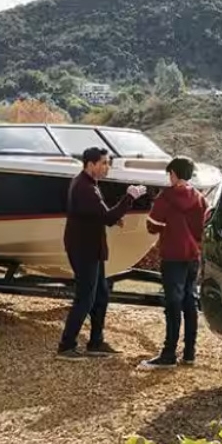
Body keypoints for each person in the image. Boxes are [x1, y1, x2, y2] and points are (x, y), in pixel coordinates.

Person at [57, 146, 146, 360]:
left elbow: (99, 215)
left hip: (91, 248)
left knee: (101, 295)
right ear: (91, 164)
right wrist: (129, 197)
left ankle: (96, 342)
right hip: (84, 249)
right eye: (104, 163)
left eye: (108, 163)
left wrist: (115, 219)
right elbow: (106, 216)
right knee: (85, 298)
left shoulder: (89, 184)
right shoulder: (84, 188)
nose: (107, 167)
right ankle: (66, 346)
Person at [139, 156, 208, 369]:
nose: (169, 178)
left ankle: (168, 354)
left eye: (170, 174)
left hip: (172, 256)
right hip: (193, 256)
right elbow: (204, 226)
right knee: (190, 302)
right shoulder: (199, 198)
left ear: (174, 174)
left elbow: (152, 225)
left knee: (173, 304)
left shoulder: (167, 197)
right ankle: (189, 353)